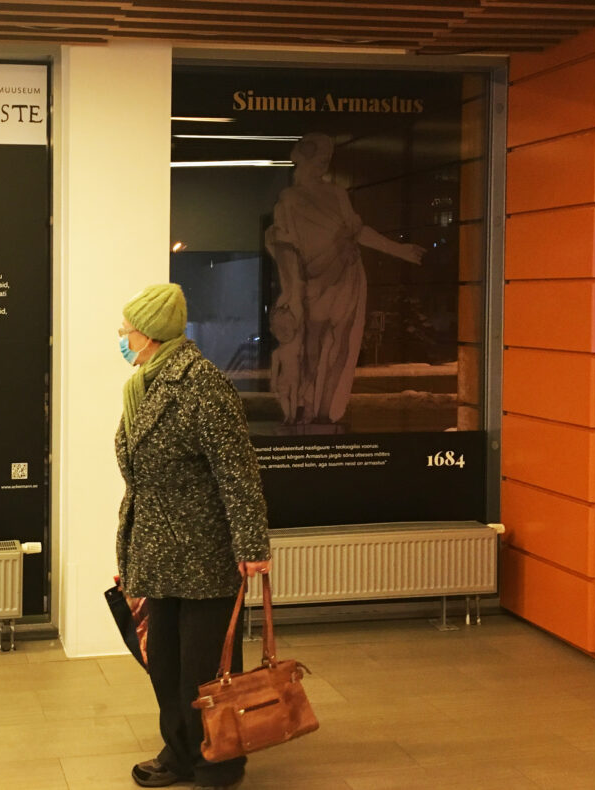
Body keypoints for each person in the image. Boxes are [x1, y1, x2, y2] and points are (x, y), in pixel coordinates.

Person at [115, 283, 271, 790]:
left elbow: (238, 472)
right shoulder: (143, 386)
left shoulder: (202, 386)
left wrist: (251, 546)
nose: (122, 337)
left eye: (127, 329)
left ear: (151, 334)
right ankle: (181, 751)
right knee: (165, 663)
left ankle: (218, 763)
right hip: (158, 550)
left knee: (206, 669)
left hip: (204, 553)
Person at [265, 132, 425, 425]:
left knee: (341, 344)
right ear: (303, 158)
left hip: (347, 274)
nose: (323, 164)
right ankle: (305, 404)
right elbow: (285, 245)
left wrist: (399, 250)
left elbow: (357, 231)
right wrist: (292, 285)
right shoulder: (289, 200)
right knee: (312, 346)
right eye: (319, 158)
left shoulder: (337, 194)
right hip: (315, 278)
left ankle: (325, 411)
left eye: (327, 159)